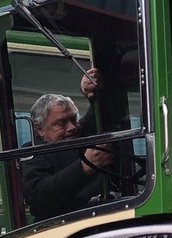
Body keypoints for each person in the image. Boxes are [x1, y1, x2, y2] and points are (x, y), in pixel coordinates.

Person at [21, 68, 114, 221]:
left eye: (74, 119)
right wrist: (84, 167)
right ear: (40, 129)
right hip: (62, 225)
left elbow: (101, 113)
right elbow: (39, 196)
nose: (72, 127)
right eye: (61, 123)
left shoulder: (81, 133)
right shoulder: (32, 152)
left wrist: (90, 90)